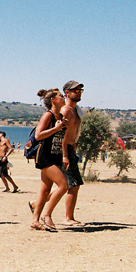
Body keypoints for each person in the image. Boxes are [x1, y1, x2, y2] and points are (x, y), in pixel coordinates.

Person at [30, 88, 68, 231]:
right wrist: (56, 129)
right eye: (60, 96)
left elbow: (62, 138)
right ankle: (47, 215)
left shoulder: (60, 116)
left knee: (45, 190)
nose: (63, 98)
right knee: (63, 185)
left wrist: (64, 155)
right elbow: (38, 136)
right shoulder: (48, 115)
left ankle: (35, 220)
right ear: (53, 100)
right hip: (45, 156)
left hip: (55, 155)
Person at [60, 80, 85, 224]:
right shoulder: (66, 110)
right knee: (73, 184)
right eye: (76, 90)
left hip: (70, 150)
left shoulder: (76, 111)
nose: (79, 93)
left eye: (80, 90)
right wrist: (65, 155)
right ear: (67, 93)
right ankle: (68, 218)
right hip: (65, 151)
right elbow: (62, 135)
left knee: (64, 184)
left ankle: (35, 204)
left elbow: (73, 134)